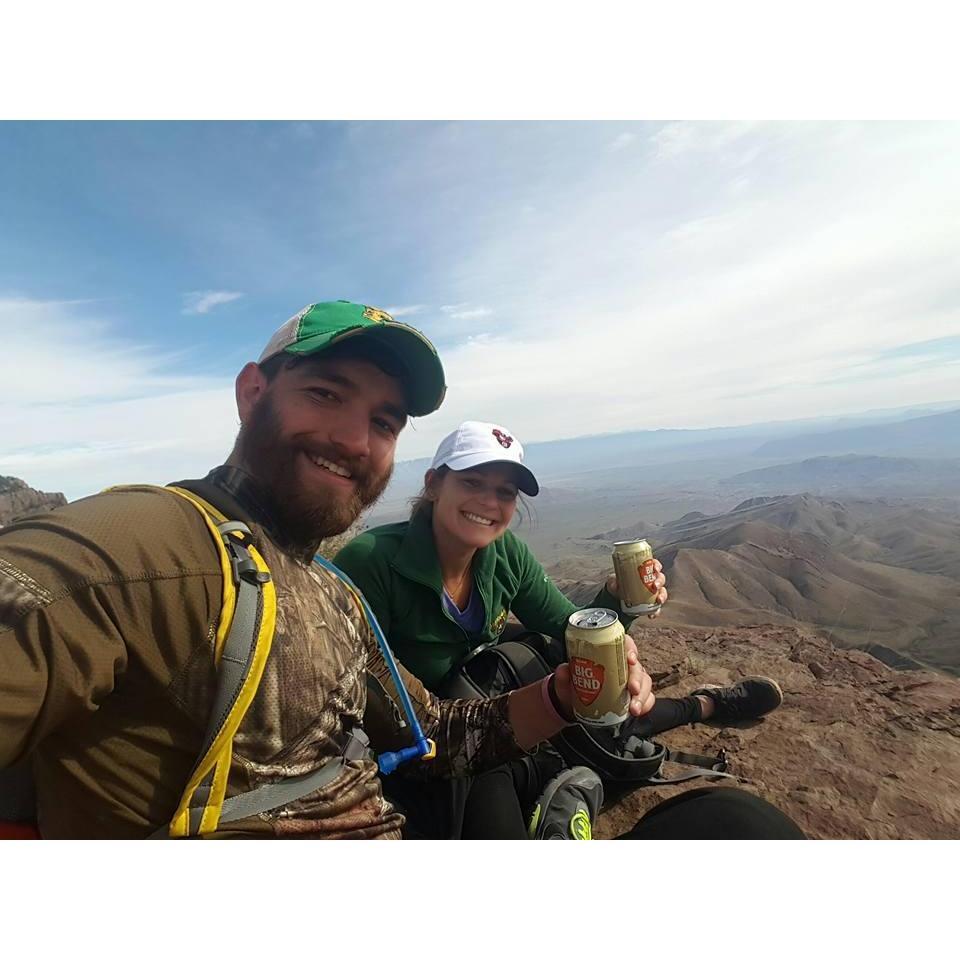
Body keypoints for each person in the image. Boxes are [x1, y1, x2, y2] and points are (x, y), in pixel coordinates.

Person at [0, 300, 801, 840]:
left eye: (382, 421)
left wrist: (572, 685)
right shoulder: (144, 543)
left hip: (418, 780)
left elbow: (439, 733)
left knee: (736, 824)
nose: (355, 439)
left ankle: (602, 774)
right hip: (411, 794)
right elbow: (43, 588)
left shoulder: (329, 593)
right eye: (326, 393)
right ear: (253, 392)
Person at [334, 420, 785, 839]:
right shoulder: (372, 563)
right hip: (433, 740)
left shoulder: (504, 554)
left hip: (488, 703)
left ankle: (705, 704)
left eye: (505, 492)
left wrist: (617, 601)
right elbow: (365, 703)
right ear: (434, 484)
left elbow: (569, 630)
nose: (490, 502)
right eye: (472, 483)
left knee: (604, 700)